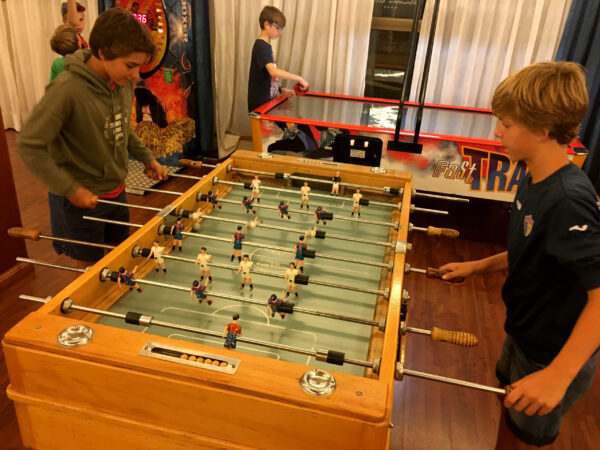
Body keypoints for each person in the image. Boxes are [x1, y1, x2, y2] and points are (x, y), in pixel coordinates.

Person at [439, 61, 600, 448]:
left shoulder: (568, 200)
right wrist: (479, 266)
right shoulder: (534, 177)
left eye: (507, 124)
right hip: (523, 330)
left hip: (550, 353)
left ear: (544, 129)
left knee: (523, 437)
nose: (497, 132)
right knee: (508, 408)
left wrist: (558, 375)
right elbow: (533, 248)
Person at [17, 8, 166, 265]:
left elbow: (122, 126)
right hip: (79, 202)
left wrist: (147, 158)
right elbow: (29, 145)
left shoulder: (122, 83)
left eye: (139, 67)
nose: (136, 75)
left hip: (117, 192)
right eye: (130, 65)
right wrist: (70, 189)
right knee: (90, 271)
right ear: (103, 53)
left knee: (121, 261)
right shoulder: (67, 89)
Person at [247, 6, 309, 113]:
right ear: (267, 25)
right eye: (278, 28)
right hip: (260, 105)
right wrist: (299, 78)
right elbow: (273, 71)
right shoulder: (261, 46)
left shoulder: (266, 47)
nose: (280, 32)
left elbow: (269, 76)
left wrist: (281, 89)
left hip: (267, 102)